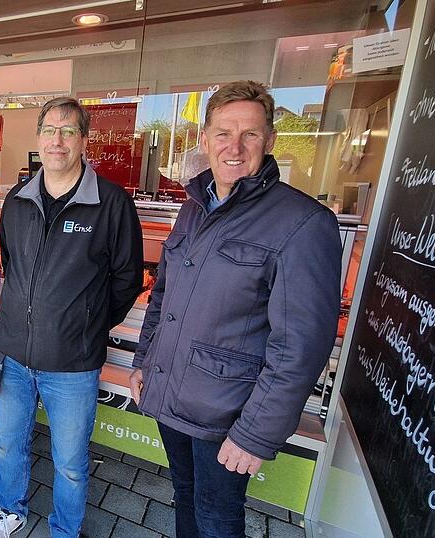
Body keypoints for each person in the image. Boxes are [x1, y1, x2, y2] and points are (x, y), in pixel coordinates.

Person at [130, 81, 341, 538]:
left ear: (269, 141)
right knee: (184, 494)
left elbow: (300, 346)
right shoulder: (195, 206)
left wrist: (257, 434)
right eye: (223, 133)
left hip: (228, 415)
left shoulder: (302, 222)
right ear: (204, 140)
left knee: (218, 517)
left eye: (249, 134)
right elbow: (163, 297)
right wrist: (145, 361)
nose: (235, 146)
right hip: (172, 394)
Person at [0, 97, 143, 538]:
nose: (58, 140)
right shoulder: (16, 199)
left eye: (69, 131)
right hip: (14, 354)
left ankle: (65, 530)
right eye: (50, 130)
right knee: (8, 445)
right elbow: (11, 264)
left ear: (84, 140)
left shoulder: (111, 202)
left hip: (73, 364)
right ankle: (10, 509)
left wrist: (88, 322)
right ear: (38, 138)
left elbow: (127, 279)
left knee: (70, 463)